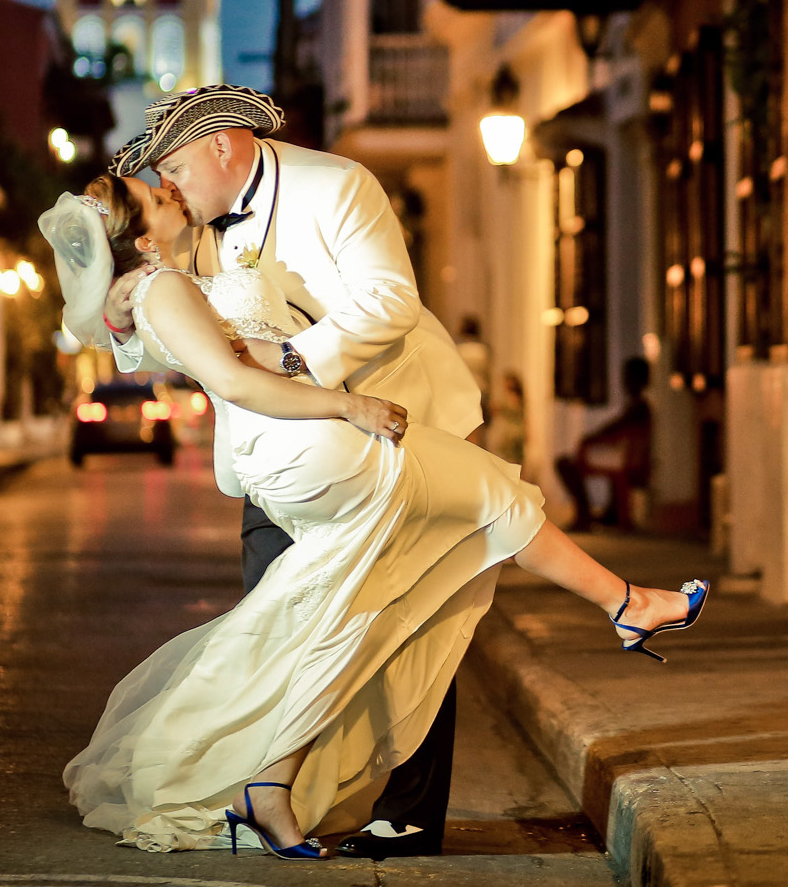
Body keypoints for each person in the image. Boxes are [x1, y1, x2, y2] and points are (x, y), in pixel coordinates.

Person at [38, 175, 710, 860]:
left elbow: (244, 357)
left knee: (358, 604)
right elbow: (236, 381)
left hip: (287, 448)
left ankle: (271, 781)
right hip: (309, 443)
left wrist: (286, 356)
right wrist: (348, 406)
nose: (167, 188)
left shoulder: (158, 288)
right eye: (152, 194)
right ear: (144, 237)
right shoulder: (167, 288)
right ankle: (627, 603)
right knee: (491, 499)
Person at [97, 85, 480, 859]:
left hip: (399, 419)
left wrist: (296, 360)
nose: (168, 186)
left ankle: (408, 809)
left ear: (223, 145)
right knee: (282, 617)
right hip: (279, 456)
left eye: (173, 166)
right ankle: (268, 791)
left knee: (415, 610)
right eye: (158, 177)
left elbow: (391, 302)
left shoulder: (336, 184)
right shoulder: (189, 226)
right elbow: (165, 334)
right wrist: (120, 303)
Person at [556, 357, 653, 532]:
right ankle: (605, 512)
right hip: (623, 455)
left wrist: (591, 439)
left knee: (566, 463)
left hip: (624, 458)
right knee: (573, 458)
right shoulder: (638, 406)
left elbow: (615, 429)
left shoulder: (639, 407)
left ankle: (584, 515)